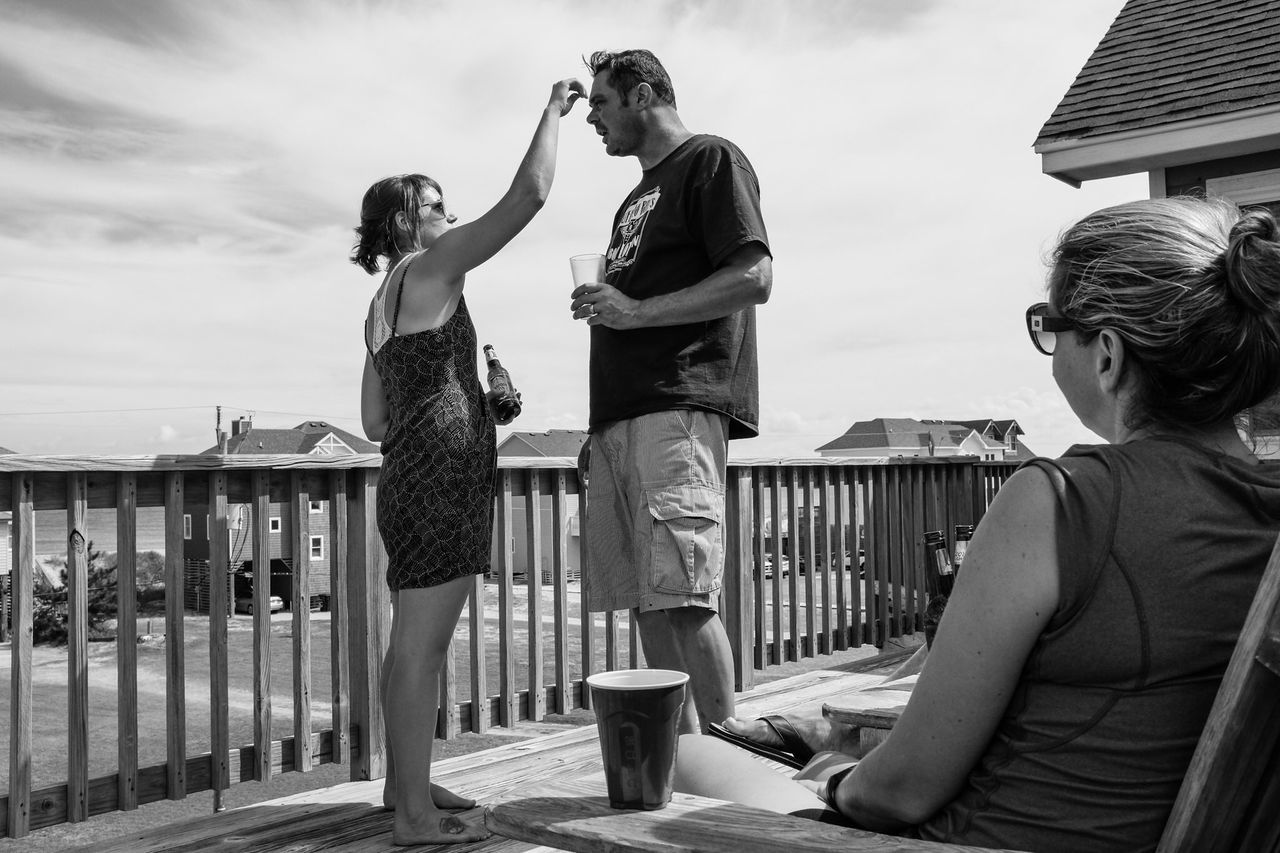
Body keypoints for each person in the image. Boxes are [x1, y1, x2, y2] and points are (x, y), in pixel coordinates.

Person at [674, 196, 1280, 853]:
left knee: (689, 757)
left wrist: (834, 778)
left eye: (1052, 326)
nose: (1049, 352)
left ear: (1108, 353)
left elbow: (902, 791)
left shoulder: (1064, 502)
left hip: (970, 839)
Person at [352, 79, 584, 846]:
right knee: (420, 647)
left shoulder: (380, 306)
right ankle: (415, 821)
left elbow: (374, 419)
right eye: (437, 204)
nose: (450, 215)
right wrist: (552, 111)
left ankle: (401, 785)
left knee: (411, 641)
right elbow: (530, 196)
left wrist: (468, 403)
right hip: (444, 485)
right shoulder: (435, 263)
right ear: (407, 222)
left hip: (408, 482)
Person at [571, 49, 773, 735]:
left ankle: (733, 756)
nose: (593, 118)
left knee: (685, 598)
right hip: (623, 419)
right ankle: (683, 761)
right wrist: (600, 430)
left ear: (644, 94)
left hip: (677, 406)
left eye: (601, 103)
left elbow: (754, 277)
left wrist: (633, 312)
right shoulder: (635, 196)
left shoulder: (712, 160)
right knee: (648, 602)